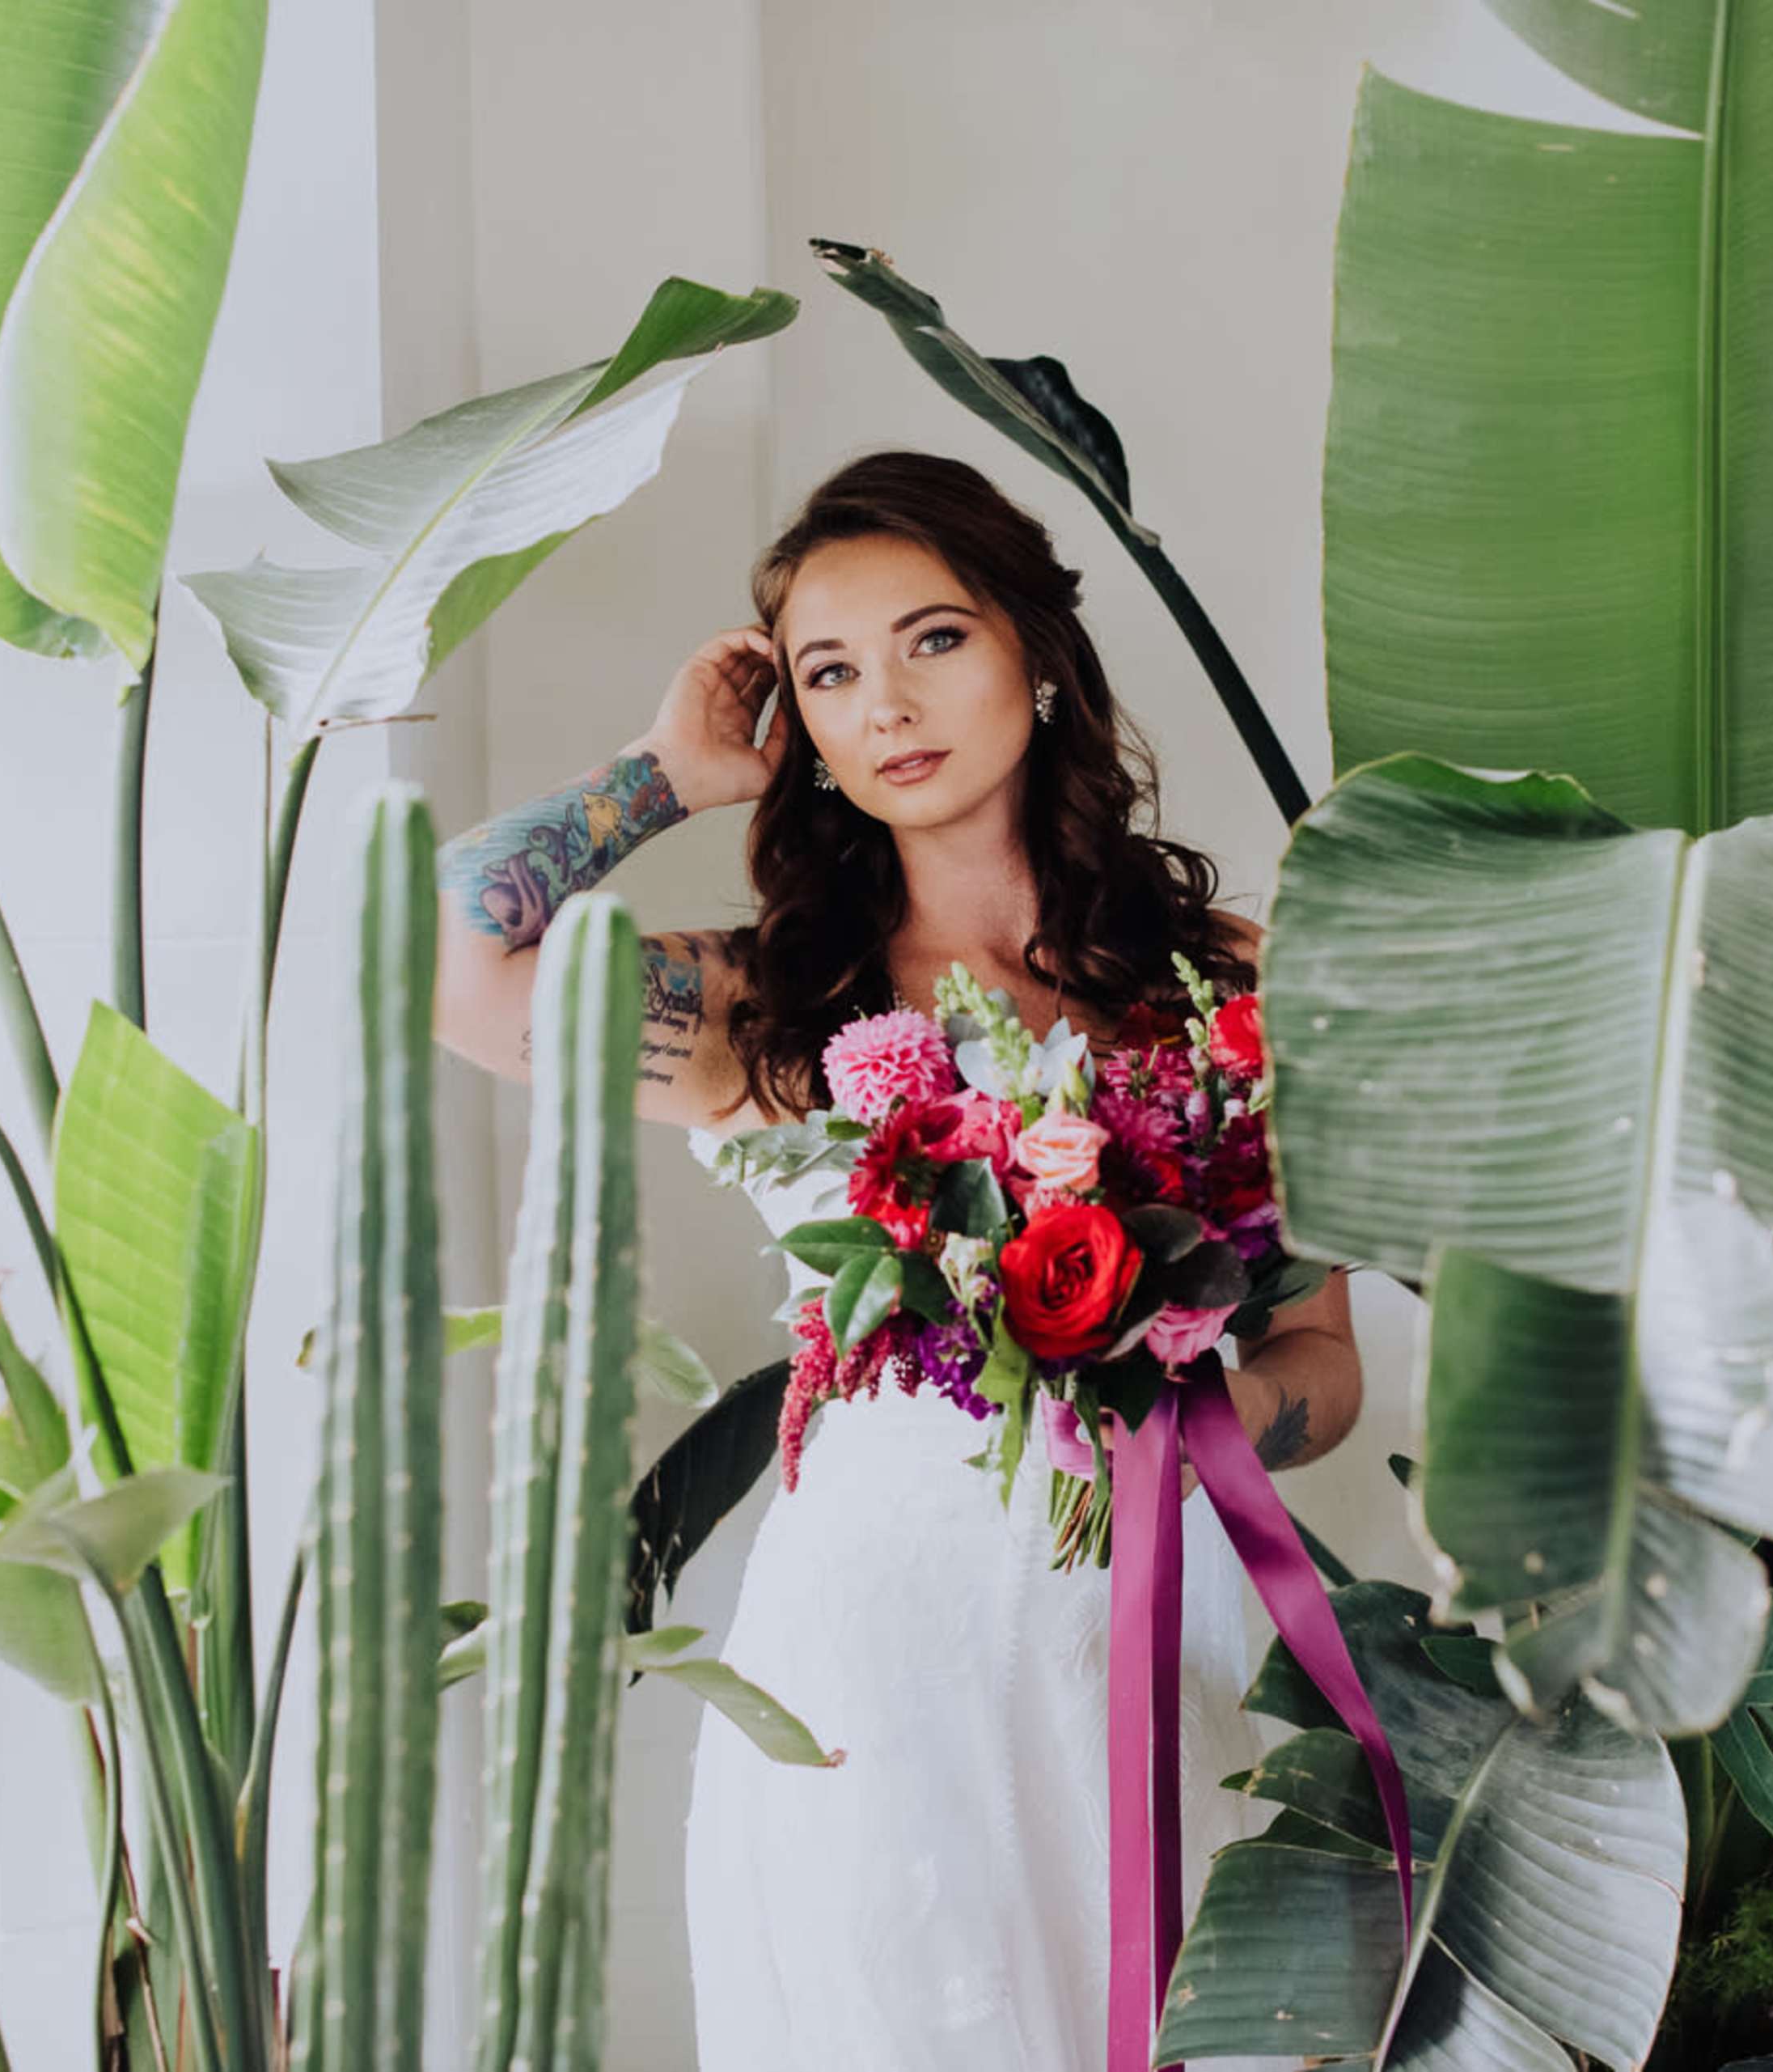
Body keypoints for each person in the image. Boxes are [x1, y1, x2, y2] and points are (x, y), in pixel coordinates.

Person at [432, 450, 1364, 2070]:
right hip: (880, 1645)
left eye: (935, 639)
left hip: (1160, 1617)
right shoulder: (767, 1009)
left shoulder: (1227, 985)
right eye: (829, 671)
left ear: (1034, 654)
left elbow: (1325, 1360)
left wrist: (1194, 1418)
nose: (889, 703)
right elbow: (444, 959)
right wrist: (659, 772)